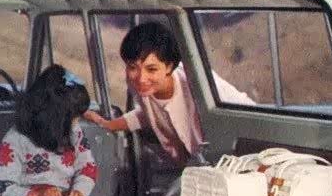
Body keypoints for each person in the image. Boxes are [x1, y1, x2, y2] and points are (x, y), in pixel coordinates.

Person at [84, 21, 252, 166]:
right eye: (132, 67)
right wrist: (108, 124)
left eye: (151, 69)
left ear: (169, 67)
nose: (141, 78)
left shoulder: (198, 83)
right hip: (189, 167)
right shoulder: (143, 87)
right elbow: (148, 114)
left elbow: (246, 111)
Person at [0, 65, 98, 196]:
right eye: (72, 119)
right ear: (51, 118)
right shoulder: (16, 139)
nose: (76, 124)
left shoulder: (74, 133)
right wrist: (36, 195)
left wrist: (80, 191)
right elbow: (3, 189)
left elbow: (87, 168)